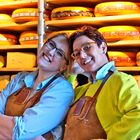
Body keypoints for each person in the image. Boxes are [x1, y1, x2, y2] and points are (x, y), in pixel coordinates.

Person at [63, 26, 140, 140]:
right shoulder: (82, 89)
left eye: (87, 48)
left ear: (103, 48)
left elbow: (138, 114)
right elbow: (62, 99)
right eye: (77, 53)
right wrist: (71, 74)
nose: (82, 56)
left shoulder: (120, 80)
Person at [0, 32, 74, 140]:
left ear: (63, 66)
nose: (51, 52)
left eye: (59, 53)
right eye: (51, 45)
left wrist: (13, 129)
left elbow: (21, 131)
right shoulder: (20, 78)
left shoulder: (62, 90)